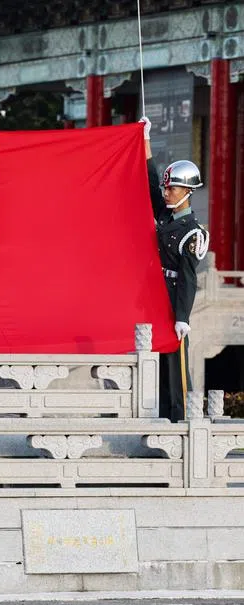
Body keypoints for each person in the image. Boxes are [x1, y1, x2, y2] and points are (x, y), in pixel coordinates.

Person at [142, 117, 210, 421]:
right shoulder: (167, 217)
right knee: (153, 359)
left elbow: (187, 277)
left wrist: (182, 316)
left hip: (172, 301)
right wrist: (145, 141)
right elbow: (150, 181)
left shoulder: (193, 232)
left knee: (175, 363)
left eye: (172, 189)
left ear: (187, 191)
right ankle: (156, 415)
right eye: (168, 188)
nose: (167, 192)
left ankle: (180, 418)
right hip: (153, 296)